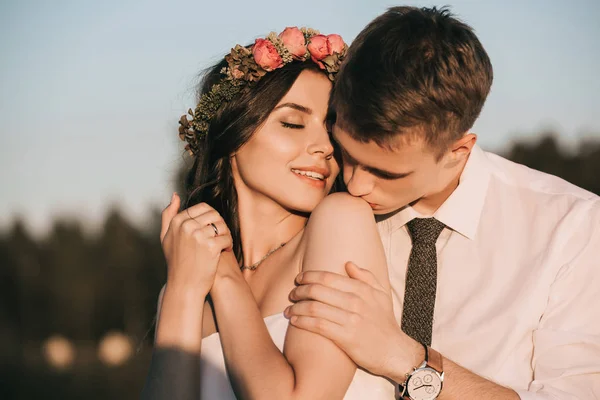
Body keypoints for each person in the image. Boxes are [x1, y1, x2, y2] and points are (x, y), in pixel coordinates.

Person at [284, 6, 600, 400]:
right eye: (348, 154)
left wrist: (406, 359)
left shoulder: (571, 227)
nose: (355, 182)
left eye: (386, 173)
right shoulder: (324, 204)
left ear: (458, 149)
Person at [142, 27, 397, 399]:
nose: (325, 147)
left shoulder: (341, 221)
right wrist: (181, 289)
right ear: (234, 133)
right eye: (293, 123)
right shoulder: (189, 277)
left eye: (332, 126)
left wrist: (226, 278)